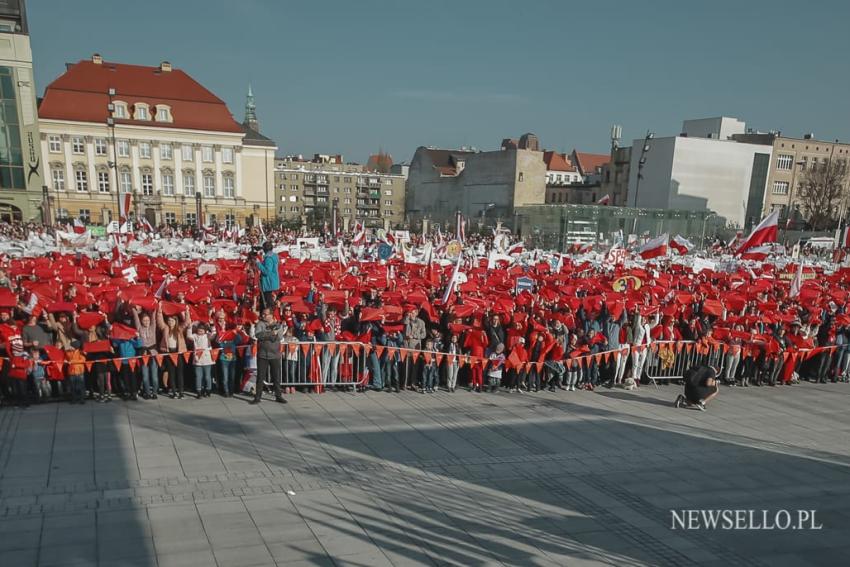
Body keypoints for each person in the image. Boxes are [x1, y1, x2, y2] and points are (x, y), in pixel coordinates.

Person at [250, 308, 286, 404]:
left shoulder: (278, 324)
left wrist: (273, 334)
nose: (263, 316)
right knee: (260, 377)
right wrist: (270, 334)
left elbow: (280, 337)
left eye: (265, 314)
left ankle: (278, 395)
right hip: (263, 355)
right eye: (263, 314)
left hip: (275, 354)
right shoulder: (260, 324)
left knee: (276, 376)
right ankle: (257, 397)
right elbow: (258, 335)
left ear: (271, 315)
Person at [255, 242, 280, 309]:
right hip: (272, 281)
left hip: (268, 282)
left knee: (268, 301)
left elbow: (267, 271)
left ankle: (269, 313)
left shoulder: (268, 258)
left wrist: (258, 264)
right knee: (267, 300)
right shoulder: (274, 256)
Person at [65, 340, 86, 404]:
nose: (70, 347)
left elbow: (83, 360)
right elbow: (66, 358)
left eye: (72, 346)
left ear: (75, 347)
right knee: (72, 387)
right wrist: (65, 361)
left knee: (81, 386)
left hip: (79, 371)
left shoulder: (81, 352)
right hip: (71, 372)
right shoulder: (68, 352)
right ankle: (74, 399)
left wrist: (72, 361)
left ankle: (82, 399)